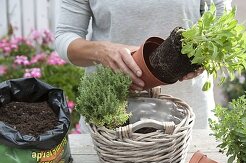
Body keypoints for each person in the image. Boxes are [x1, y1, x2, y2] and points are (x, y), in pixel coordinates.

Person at [55, 0, 231, 130]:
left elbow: (222, 23)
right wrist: (102, 51)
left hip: (187, 119)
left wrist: (206, 58)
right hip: (109, 121)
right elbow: (65, 36)